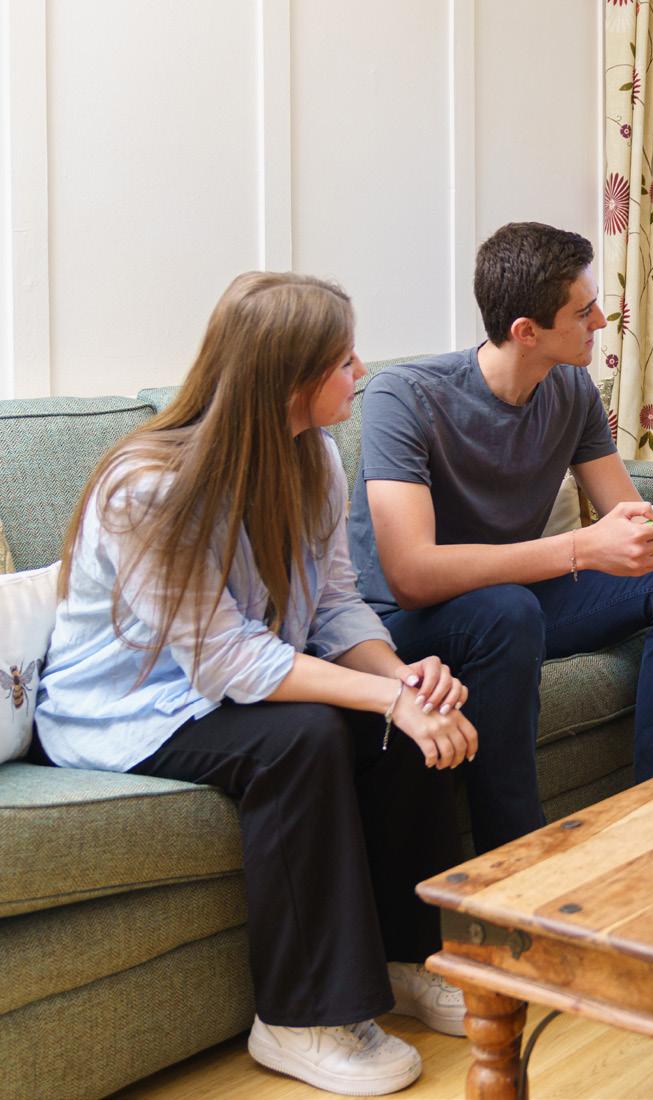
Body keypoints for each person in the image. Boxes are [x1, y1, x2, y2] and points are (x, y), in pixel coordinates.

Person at [32, 272, 478, 1097]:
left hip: (217, 684)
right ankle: (298, 1019)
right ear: (290, 378)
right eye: (344, 361)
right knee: (300, 737)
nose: (361, 372)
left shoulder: (315, 459)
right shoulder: (148, 489)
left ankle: (406, 956)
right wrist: (387, 698)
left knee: (400, 721)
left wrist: (400, 683)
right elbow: (228, 662)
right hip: (127, 708)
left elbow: (333, 603)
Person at [348, 221, 653, 855]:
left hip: (516, 607)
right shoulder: (404, 397)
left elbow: (628, 517)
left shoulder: (570, 388)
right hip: (405, 625)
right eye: (583, 312)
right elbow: (410, 574)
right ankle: (515, 856)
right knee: (508, 609)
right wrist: (580, 548)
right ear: (526, 330)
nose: (601, 320)